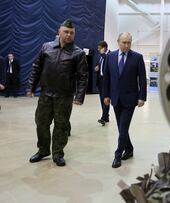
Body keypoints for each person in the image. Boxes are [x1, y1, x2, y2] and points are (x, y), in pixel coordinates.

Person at [27, 19, 88, 167]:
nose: (68, 35)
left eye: (71, 33)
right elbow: (36, 67)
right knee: (41, 123)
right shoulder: (46, 47)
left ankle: (58, 153)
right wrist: (31, 87)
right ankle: (43, 150)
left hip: (64, 96)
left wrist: (79, 96)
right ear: (58, 32)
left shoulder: (78, 53)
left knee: (61, 126)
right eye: (66, 32)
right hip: (46, 94)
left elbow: (83, 77)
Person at [103, 32, 147, 168]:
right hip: (115, 98)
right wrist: (106, 95)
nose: (126, 45)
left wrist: (142, 97)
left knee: (122, 128)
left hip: (130, 99)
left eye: (129, 42)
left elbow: (142, 79)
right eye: (124, 42)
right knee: (121, 127)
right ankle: (129, 149)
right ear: (118, 42)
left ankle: (117, 156)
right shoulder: (110, 57)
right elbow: (106, 78)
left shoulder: (137, 58)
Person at [95, 41, 110, 126]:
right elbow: (101, 65)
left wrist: (103, 53)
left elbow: (107, 60)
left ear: (104, 48)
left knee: (105, 99)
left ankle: (104, 117)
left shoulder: (109, 55)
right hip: (100, 80)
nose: (98, 50)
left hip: (106, 80)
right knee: (102, 99)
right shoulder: (101, 56)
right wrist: (97, 68)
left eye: (99, 48)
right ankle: (106, 116)